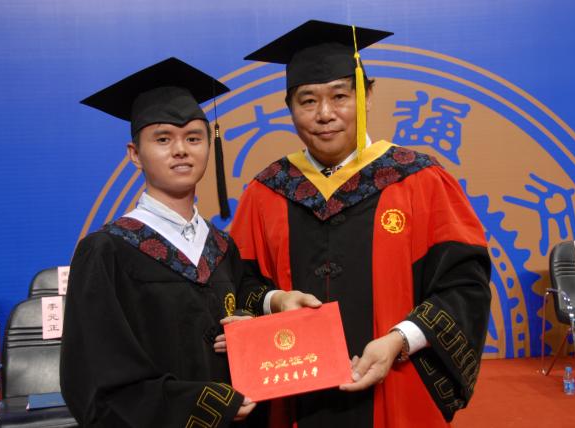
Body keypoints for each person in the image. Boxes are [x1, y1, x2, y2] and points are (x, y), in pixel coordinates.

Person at [230, 20, 492, 427]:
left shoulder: (420, 180)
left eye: (340, 96)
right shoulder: (267, 192)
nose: (325, 114)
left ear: (367, 96)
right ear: (289, 108)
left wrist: (400, 340)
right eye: (307, 101)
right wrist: (274, 300)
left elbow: (464, 287)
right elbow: (238, 285)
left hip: (395, 388)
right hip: (293, 396)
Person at [60, 57, 311, 427]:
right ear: (135, 155)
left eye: (193, 138)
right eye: (163, 139)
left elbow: (246, 297)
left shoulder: (221, 247)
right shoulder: (106, 251)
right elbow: (95, 382)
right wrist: (204, 403)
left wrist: (270, 308)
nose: (181, 149)